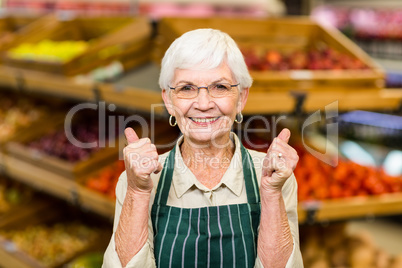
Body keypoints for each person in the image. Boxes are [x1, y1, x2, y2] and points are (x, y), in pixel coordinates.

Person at [103, 28, 303, 267]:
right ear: (168, 100)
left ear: (241, 97)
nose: (203, 104)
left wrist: (271, 194)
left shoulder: (274, 176)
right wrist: (137, 192)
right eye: (187, 88)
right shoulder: (138, 179)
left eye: (219, 87)